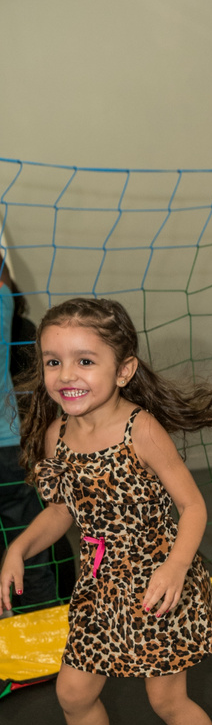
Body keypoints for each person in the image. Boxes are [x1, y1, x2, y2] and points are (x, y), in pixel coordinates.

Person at [0, 298, 212, 725]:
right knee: (73, 693)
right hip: (100, 586)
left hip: (159, 582)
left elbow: (193, 507)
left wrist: (175, 567)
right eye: (54, 361)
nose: (67, 375)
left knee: (167, 699)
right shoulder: (57, 435)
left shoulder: (140, 429)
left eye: (85, 361)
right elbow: (61, 511)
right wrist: (18, 548)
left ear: (123, 369)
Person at [0, 256, 59, 612]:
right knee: (30, 552)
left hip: (10, 447)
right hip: (8, 448)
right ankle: (44, 627)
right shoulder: (5, 310)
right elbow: (4, 277)